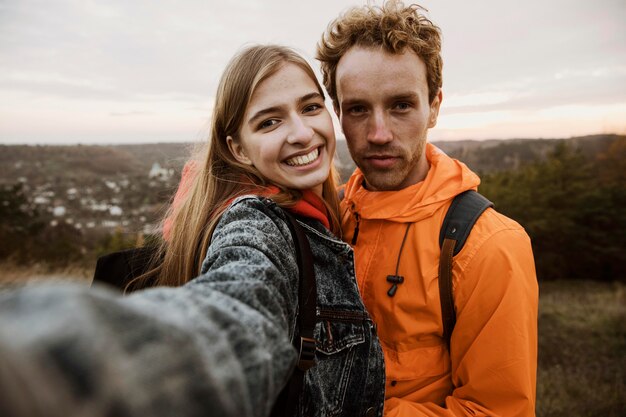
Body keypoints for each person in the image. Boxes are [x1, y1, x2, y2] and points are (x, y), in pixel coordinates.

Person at [0, 45, 385, 417]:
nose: (302, 132)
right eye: (269, 121)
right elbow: (230, 321)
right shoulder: (258, 223)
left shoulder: (321, 209)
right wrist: (41, 372)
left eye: (310, 107)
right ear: (237, 149)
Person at [316, 1, 539, 416]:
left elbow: (496, 411)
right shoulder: (329, 220)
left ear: (434, 106)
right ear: (338, 115)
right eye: (359, 109)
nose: (379, 134)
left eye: (401, 105)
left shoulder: (489, 247)